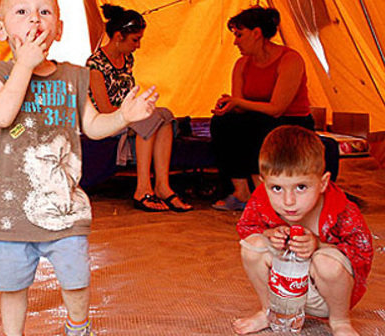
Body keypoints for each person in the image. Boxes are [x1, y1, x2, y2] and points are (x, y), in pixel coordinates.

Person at [0, 0, 158, 335]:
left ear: (58, 29)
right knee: (13, 287)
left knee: (76, 280)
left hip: (65, 206)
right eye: (21, 12)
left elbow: (92, 125)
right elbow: (2, 115)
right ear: (1, 31)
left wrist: (122, 117)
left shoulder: (74, 76)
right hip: (9, 211)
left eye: (44, 12)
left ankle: (77, 328)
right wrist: (24, 66)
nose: (34, 18)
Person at [233, 125, 373, 336]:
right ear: (264, 184)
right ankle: (268, 311)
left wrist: (319, 245)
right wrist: (268, 234)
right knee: (252, 246)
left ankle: (340, 321)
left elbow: (362, 253)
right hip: (282, 292)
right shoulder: (262, 201)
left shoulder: (341, 209)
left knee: (327, 263)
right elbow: (246, 228)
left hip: (327, 297)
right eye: (277, 188)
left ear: (323, 183)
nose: (288, 202)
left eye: (301, 187)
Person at [86, 4, 193, 213]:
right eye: (135, 39)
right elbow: (105, 109)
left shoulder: (127, 60)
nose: (139, 45)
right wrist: (133, 111)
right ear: (118, 36)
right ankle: (142, 188)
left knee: (166, 117)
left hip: (129, 116)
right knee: (148, 119)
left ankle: (163, 186)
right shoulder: (95, 65)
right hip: (107, 121)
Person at [210, 6, 315, 211]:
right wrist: (229, 106)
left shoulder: (290, 59)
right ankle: (242, 192)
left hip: (291, 121)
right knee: (223, 123)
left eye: (239, 35)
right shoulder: (242, 64)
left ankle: (263, 193)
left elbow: (277, 108)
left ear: (257, 33)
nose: (235, 41)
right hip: (257, 119)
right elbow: (240, 106)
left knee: (258, 127)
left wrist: (238, 103)